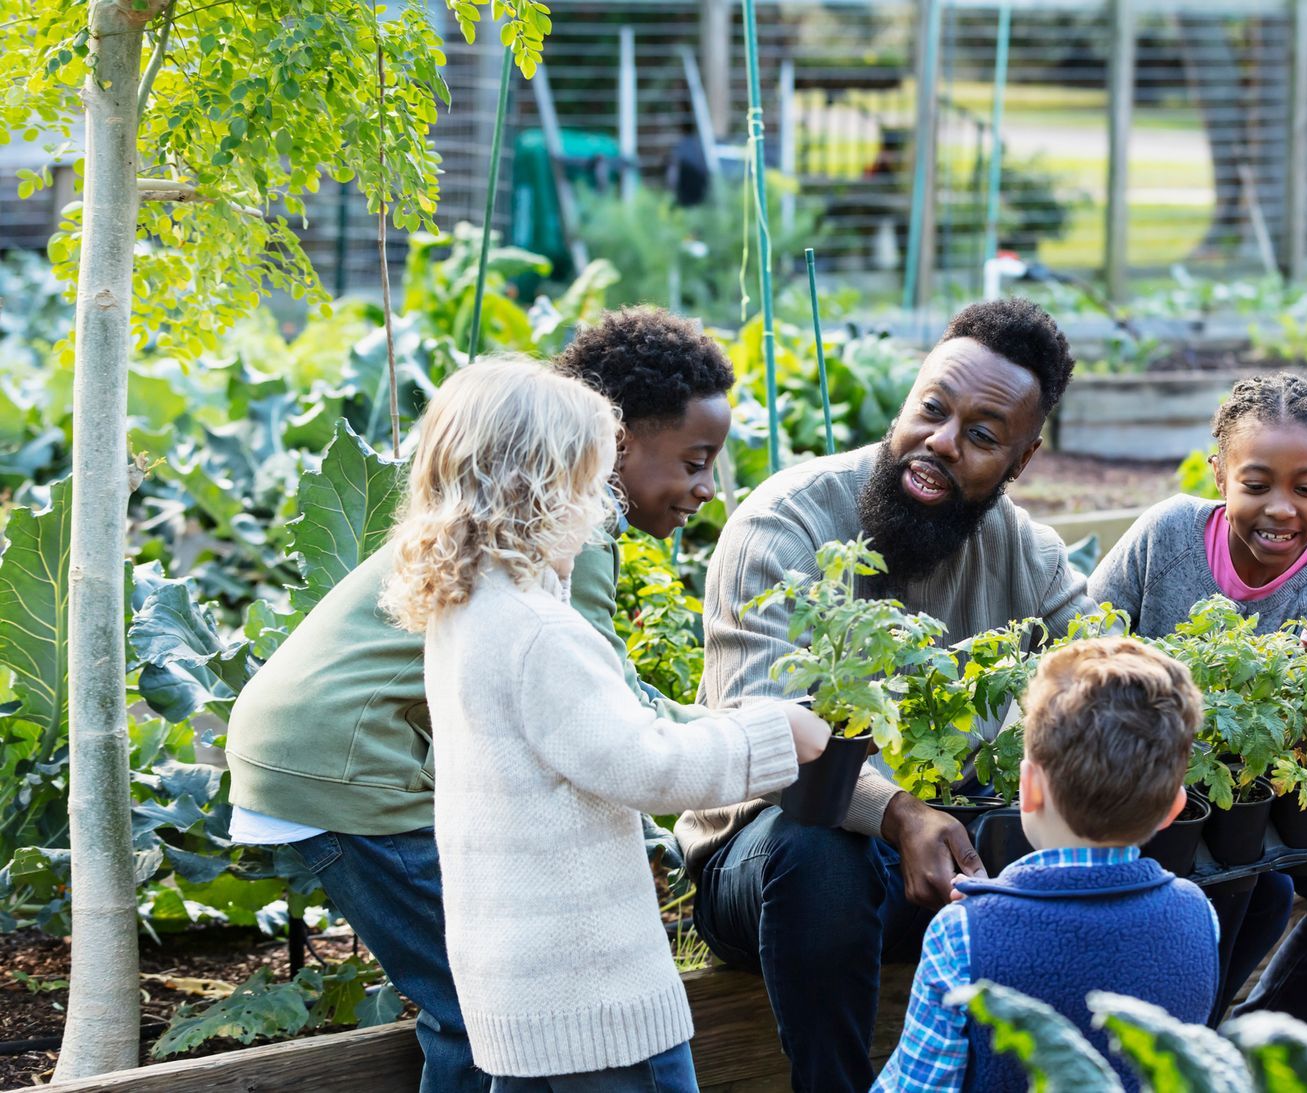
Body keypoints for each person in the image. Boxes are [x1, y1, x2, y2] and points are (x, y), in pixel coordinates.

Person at [224, 307, 743, 1093]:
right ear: (618, 445)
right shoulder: (565, 532)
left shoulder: (497, 525)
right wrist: (741, 736)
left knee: (485, 1006)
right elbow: (612, 709)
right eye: (696, 460)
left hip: (316, 749)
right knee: (493, 1002)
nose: (707, 488)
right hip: (347, 761)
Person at [376, 358, 829, 1092]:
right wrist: (774, 732)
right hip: (595, 996)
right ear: (542, 490)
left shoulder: (467, 613)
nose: (600, 510)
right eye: (590, 486)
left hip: (520, 994)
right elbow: (642, 764)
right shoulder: (537, 632)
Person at [679, 297, 1096, 1091]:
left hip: (940, 861)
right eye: (931, 410)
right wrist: (899, 811)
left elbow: (1106, 682)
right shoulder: (786, 524)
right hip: (761, 865)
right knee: (819, 843)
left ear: (1022, 459)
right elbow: (764, 742)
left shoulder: (1028, 556)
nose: (939, 443)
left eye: (980, 436)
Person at [1088, 373, 1307, 1026]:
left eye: (1306, 488)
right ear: (1220, 473)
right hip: (1139, 777)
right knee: (1254, 883)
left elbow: (1304, 727)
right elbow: (1083, 641)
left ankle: (1250, 1038)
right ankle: (1181, 1041)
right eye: (1256, 485)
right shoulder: (1166, 536)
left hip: (1251, 788)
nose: (1281, 508)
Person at [874, 637, 1217, 1093]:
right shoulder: (1200, 915)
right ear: (1174, 809)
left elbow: (918, 1086)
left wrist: (980, 922)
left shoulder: (959, 934)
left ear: (1028, 787)